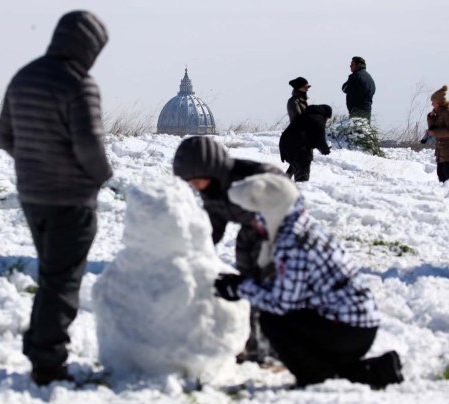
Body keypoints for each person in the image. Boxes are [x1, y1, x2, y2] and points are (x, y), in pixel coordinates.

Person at [0, 10, 113, 385]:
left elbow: (5, 137)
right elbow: (89, 146)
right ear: (87, 47)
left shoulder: (24, 76)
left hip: (32, 196)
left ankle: (40, 349)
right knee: (63, 282)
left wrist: (35, 163)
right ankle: (47, 363)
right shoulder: (79, 84)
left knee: (51, 275)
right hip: (71, 200)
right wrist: (103, 178)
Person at [214, 173, 403, 389]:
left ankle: (315, 379)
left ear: (271, 211)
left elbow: (282, 303)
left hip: (347, 328)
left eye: (255, 216)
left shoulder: (290, 242)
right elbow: (290, 290)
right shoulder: (303, 226)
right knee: (297, 328)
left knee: (272, 320)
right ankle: (377, 371)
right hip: (357, 323)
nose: (252, 224)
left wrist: (239, 288)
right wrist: (242, 285)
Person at [172, 136, 283, 364]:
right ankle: (254, 345)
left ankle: (277, 346)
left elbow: (286, 199)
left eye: (195, 180)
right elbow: (214, 224)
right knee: (248, 285)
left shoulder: (254, 176)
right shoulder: (210, 189)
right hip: (248, 236)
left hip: (276, 236)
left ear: (210, 170)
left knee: (269, 288)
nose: (193, 185)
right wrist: (199, 250)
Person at [279, 104, 332, 182]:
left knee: (295, 164)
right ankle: (302, 189)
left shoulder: (305, 116)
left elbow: (313, 138)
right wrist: (325, 150)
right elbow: (319, 138)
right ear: (326, 114)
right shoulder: (318, 119)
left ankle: (283, 184)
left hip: (285, 144)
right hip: (296, 145)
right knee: (302, 172)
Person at [426, 85, 449, 183]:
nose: (432, 104)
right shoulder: (439, 113)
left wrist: (434, 132)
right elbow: (434, 127)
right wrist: (431, 118)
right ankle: (446, 191)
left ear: (438, 102)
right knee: (441, 173)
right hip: (443, 146)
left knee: (448, 171)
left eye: (433, 102)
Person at [341, 56, 376, 120]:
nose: (350, 66)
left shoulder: (355, 76)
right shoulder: (369, 78)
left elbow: (345, 88)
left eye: (352, 64)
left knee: (355, 129)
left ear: (358, 65)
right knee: (364, 128)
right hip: (367, 111)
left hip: (357, 112)